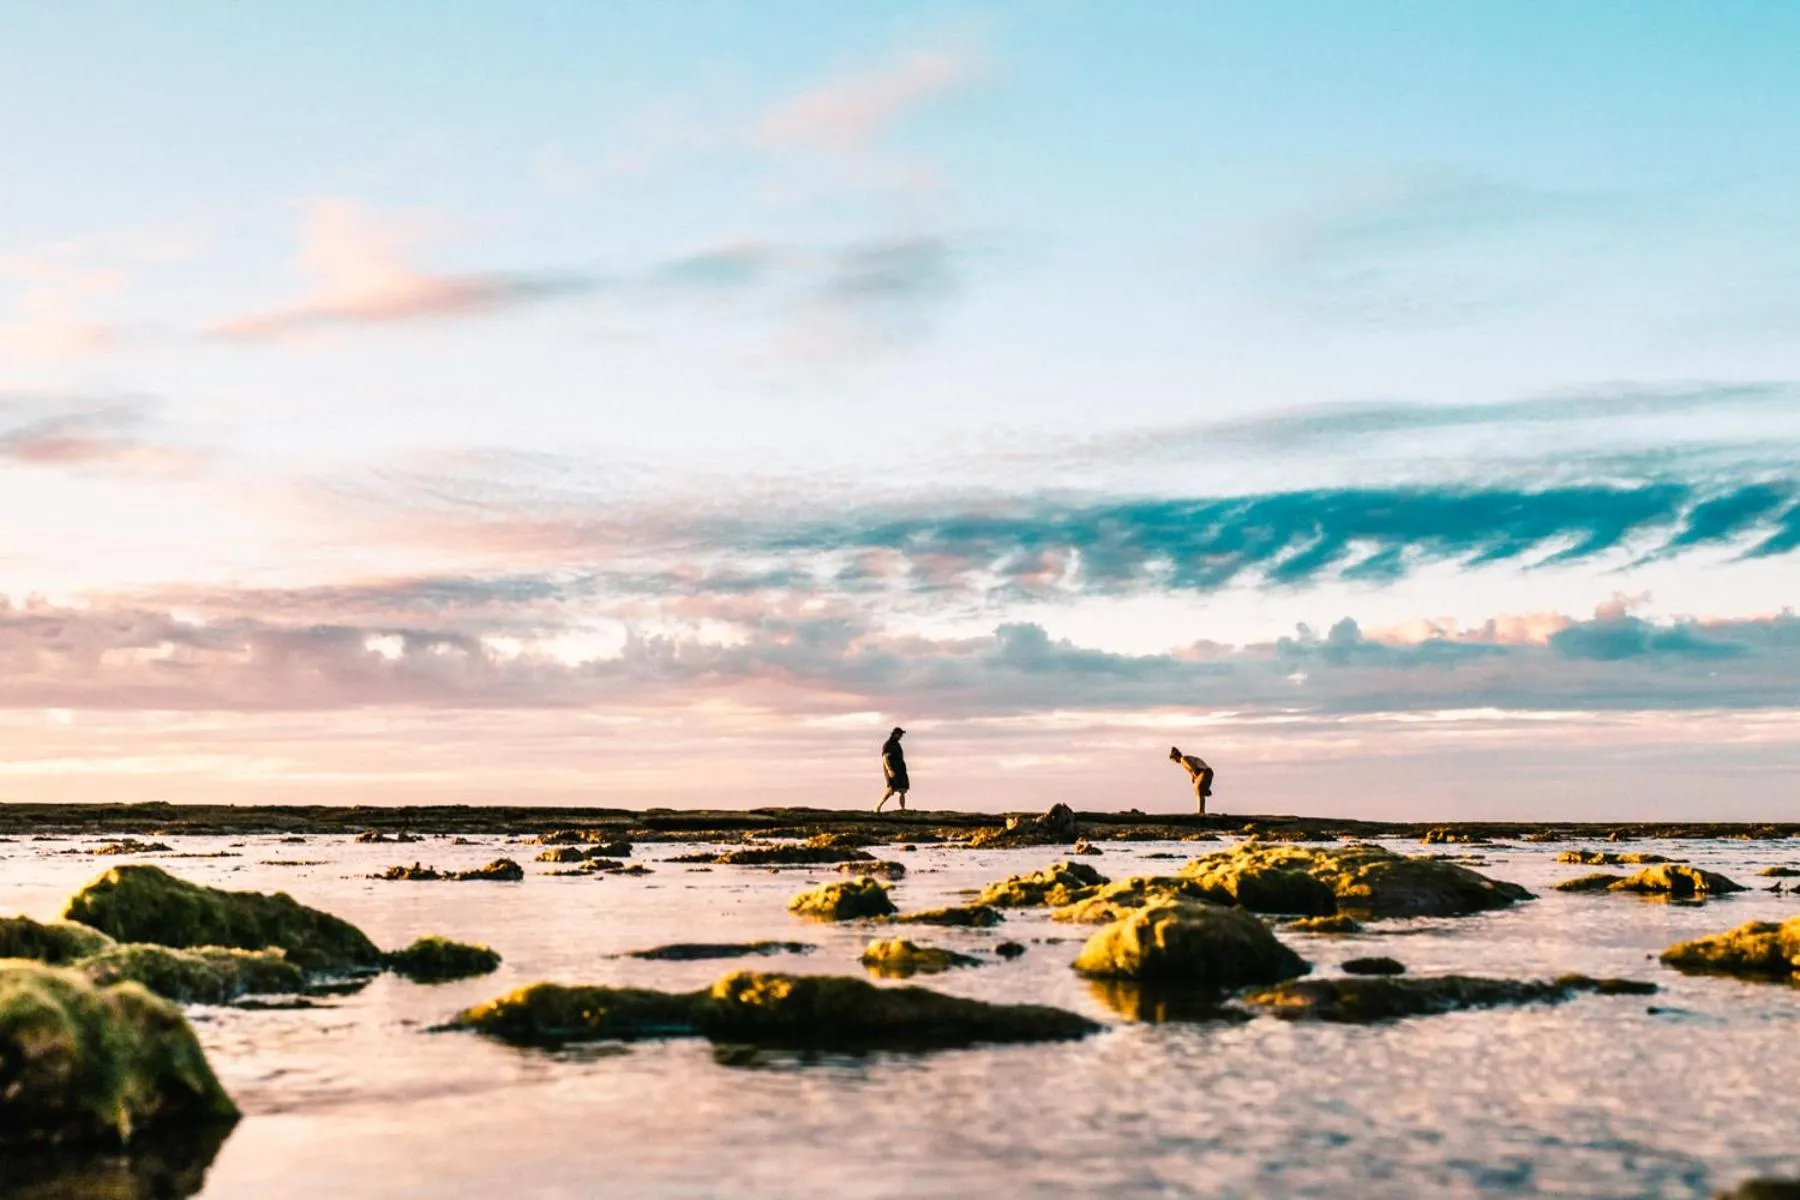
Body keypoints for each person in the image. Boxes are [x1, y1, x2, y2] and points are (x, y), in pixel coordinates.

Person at [1169, 746, 1214, 815]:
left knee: (1198, 790)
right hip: (1207, 772)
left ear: (1175, 756)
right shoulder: (1185, 759)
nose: (1174, 762)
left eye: (1173, 759)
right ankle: (1201, 810)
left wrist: (1195, 777)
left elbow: (1193, 768)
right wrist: (1194, 778)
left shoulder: (1183, 759)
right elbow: (1192, 769)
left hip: (1204, 772)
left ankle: (1201, 811)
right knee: (1199, 791)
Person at [875, 727, 909, 812]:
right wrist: (889, 769)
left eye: (901, 735)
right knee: (891, 789)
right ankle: (878, 806)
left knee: (903, 789)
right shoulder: (888, 744)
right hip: (892, 770)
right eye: (899, 734)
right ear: (895, 734)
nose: (901, 736)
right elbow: (885, 758)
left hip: (900, 769)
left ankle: (902, 809)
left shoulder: (897, 744)